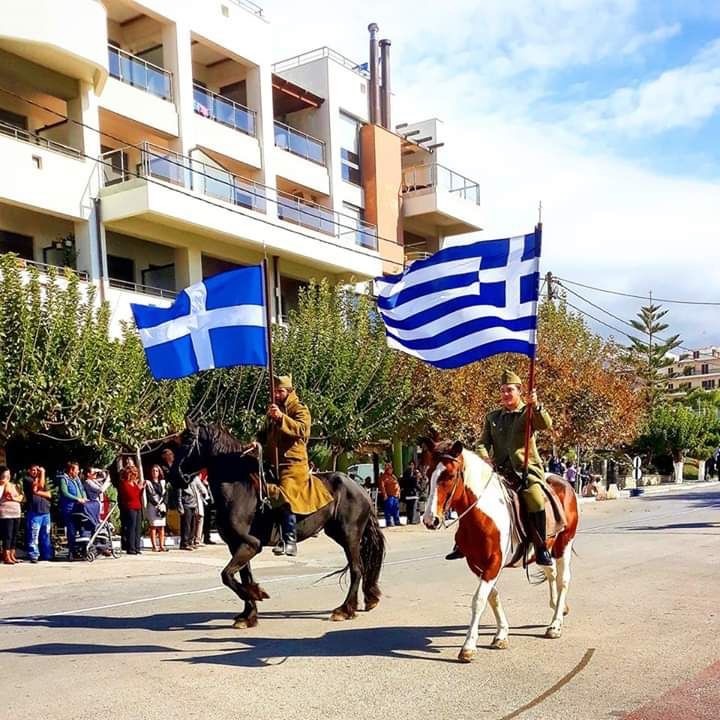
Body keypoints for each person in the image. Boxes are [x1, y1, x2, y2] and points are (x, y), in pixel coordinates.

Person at [447, 369, 554, 565]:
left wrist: (536, 405)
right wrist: (484, 458)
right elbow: (481, 443)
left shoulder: (527, 412)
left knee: (535, 499)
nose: (505, 394)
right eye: (503, 390)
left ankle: (541, 547)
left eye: (510, 390)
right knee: (469, 496)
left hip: (524, 470)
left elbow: (545, 424)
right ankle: (461, 542)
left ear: (520, 391)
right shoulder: (493, 417)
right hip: (499, 471)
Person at [256, 374, 333, 557]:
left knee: (285, 495)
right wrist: (256, 443)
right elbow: (263, 435)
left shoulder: (300, 409)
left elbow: (302, 430)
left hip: (293, 465)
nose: (276, 394)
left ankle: (289, 540)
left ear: (289, 391)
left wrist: (281, 418)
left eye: (280, 391)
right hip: (272, 462)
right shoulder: (273, 411)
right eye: (274, 391)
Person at [24, 465, 53, 563]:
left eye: (37, 470)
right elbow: (38, 487)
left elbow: (49, 494)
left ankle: (46, 554)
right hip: (34, 511)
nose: (35, 472)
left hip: (45, 511)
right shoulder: (27, 479)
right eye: (33, 470)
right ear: (29, 471)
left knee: (46, 534)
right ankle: (34, 555)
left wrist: (38, 493)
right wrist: (43, 473)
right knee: (34, 534)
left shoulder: (43, 480)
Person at [58, 461, 87, 558]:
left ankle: (82, 549)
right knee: (71, 530)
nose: (78, 472)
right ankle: (72, 551)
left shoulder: (77, 479)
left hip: (79, 507)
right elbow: (65, 492)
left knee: (82, 528)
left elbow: (82, 489)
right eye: (76, 470)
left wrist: (84, 497)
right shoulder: (64, 479)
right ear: (71, 470)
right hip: (69, 508)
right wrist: (77, 498)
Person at [118, 456, 145, 555]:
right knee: (131, 528)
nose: (136, 476)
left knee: (138, 528)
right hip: (130, 507)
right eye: (134, 474)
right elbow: (131, 495)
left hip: (137, 506)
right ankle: (131, 548)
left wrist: (141, 488)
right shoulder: (125, 484)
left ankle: (137, 547)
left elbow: (138, 495)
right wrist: (139, 488)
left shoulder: (134, 483)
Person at [0, 466, 24, 564]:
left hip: (16, 513)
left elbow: (22, 497)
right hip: (6, 514)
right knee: (8, 535)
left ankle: (12, 555)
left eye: (9, 474)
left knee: (14, 535)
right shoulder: (1, 486)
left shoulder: (15, 485)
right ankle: (6, 555)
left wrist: (14, 498)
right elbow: (3, 495)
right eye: (6, 474)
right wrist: (4, 485)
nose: (8, 476)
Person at [144, 464, 169, 552]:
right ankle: (154, 546)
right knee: (153, 526)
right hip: (152, 505)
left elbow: (166, 494)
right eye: (153, 471)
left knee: (162, 526)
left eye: (156, 471)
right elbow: (148, 495)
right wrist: (155, 504)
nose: (155, 472)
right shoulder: (148, 482)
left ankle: (162, 545)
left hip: (161, 506)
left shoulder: (163, 482)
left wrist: (163, 503)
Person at [191, 470, 210, 548]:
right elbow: (203, 490)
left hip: (192, 503)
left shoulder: (190, 479)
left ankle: (193, 540)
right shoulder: (196, 479)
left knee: (194, 522)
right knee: (199, 520)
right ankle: (197, 540)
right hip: (197, 503)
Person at [378, 462, 401, 528]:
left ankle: (397, 521)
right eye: (389, 468)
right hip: (389, 496)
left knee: (396, 509)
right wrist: (385, 495)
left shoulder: (393, 476)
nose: (391, 470)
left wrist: (398, 493)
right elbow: (382, 487)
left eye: (391, 468)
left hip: (395, 495)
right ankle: (389, 522)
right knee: (388, 509)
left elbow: (397, 485)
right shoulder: (383, 477)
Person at [400, 460, 421, 525]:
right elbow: (405, 481)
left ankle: (412, 519)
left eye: (413, 464)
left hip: (413, 492)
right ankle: (411, 520)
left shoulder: (415, 472)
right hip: (410, 492)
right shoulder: (407, 473)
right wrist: (415, 479)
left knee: (412, 507)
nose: (411, 466)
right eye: (410, 464)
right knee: (410, 507)